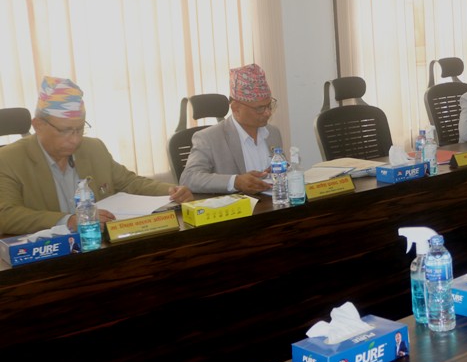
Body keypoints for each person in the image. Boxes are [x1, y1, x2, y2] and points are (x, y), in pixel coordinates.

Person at [0, 76, 192, 236]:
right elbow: (5, 215)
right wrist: (69, 221)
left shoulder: (94, 148)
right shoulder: (8, 159)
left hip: (98, 247)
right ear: (38, 125)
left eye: (79, 129)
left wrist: (170, 190)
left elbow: (129, 182)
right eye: (65, 131)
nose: (75, 139)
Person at [179, 63, 284, 194]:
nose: (268, 113)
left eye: (269, 105)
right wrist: (235, 182)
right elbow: (188, 178)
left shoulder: (273, 133)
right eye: (260, 108)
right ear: (236, 109)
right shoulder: (208, 138)